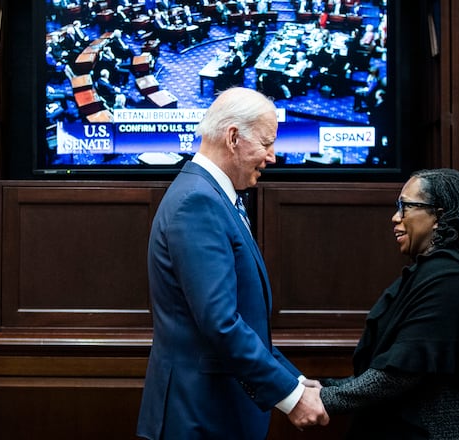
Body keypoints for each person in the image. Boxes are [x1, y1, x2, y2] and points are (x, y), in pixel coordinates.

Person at [136, 87, 330, 440]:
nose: (272, 157)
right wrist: (291, 397)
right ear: (234, 138)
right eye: (267, 143)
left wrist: (295, 381)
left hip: (212, 412)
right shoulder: (198, 202)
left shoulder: (209, 195)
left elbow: (245, 322)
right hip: (200, 417)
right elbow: (220, 323)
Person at [319, 168, 459, 439]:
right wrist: (324, 388)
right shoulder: (432, 271)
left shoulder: (450, 279)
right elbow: (395, 364)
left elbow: (402, 373)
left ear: (438, 216)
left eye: (405, 207)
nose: (396, 217)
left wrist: (323, 399)